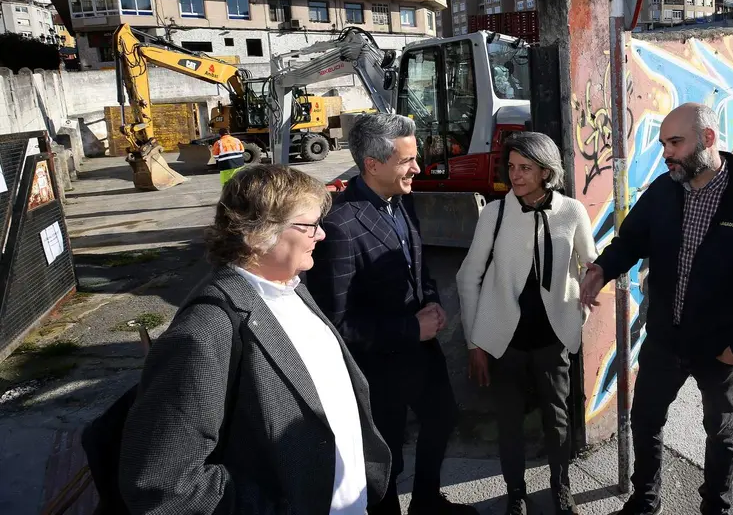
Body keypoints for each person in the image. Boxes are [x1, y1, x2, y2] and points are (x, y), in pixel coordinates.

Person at [119, 164, 392, 514]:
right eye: (309, 225)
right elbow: (163, 486)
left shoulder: (289, 288)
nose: (321, 235)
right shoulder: (204, 331)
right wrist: (279, 503)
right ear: (257, 234)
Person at [579, 103, 733, 515]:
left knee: (720, 431)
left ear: (708, 139)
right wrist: (602, 269)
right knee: (644, 421)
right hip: (664, 340)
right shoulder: (664, 190)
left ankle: (716, 507)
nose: (667, 153)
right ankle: (644, 501)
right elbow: (630, 241)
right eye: (663, 143)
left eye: (675, 142)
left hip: (722, 348)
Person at [308, 113, 477, 515]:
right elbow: (336, 324)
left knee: (442, 419)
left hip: (422, 354)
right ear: (372, 164)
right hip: (378, 370)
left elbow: (417, 265)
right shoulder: (340, 226)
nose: (417, 168)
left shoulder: (401, 201)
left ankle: (426, 502)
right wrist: (409, 328)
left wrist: (432, 300)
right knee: (387, 457)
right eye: (407, 161)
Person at [456, 132, 598, 515]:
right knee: (509, 422)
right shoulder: (495, 213)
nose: (515, 176)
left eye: (526, 168)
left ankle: (561, 486)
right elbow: (468, 276)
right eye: (513, 167)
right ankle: (515, 493)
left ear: (546, 171)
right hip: (505, 339)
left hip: (554, 337)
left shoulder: (572, 211)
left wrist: (583, 302)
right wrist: (475, 343)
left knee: (558, 419)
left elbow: (592, 264)